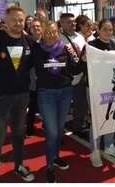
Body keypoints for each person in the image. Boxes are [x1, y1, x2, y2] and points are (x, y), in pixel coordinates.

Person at [0, 6, 36, 182]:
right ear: (5, 22)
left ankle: (19, 166)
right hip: (0, 97)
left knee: (18, 134)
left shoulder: (30, 42)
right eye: (14, 20)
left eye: (21, 20)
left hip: (22, 96)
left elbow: (38, 62)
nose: (18, 23)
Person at [33, 20, 81, 182]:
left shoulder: (67, 49)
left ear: (58, 32)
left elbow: (75, 69)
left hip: (65, 92)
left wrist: (84, 59)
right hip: (46, 94)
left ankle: (55, 156)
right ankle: (49, 167)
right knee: (52, 132)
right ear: (42, 33)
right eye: (47, 32)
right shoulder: (37, 49)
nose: (51, 35)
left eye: (54, 32)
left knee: (59, 130)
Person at [86, 19, 115, 166]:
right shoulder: (91, 46)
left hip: (112, 87)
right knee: (96, 120)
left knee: (112, 117)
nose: (108, 32)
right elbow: (85, 67)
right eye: (105, 29)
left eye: (110, 30)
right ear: (98, 30)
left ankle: (109, 145)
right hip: (94, 87)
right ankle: (94, 151)